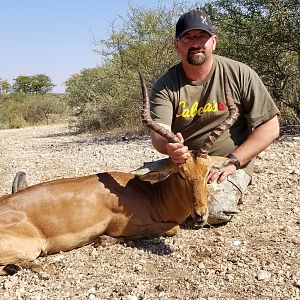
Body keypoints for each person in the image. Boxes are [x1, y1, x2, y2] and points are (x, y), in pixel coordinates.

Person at [149, 9, 280, 225]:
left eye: (203, 36)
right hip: (184, 164)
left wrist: (234, 161)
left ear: (214, 41)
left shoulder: (240, 73)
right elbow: (159, 133)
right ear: (177, 45)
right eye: (189, 37)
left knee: (215, 211)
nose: (197, 42)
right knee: (134, 190)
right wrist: (169, 147)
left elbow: (270, 126)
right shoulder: (165, 86)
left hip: (226, 162)